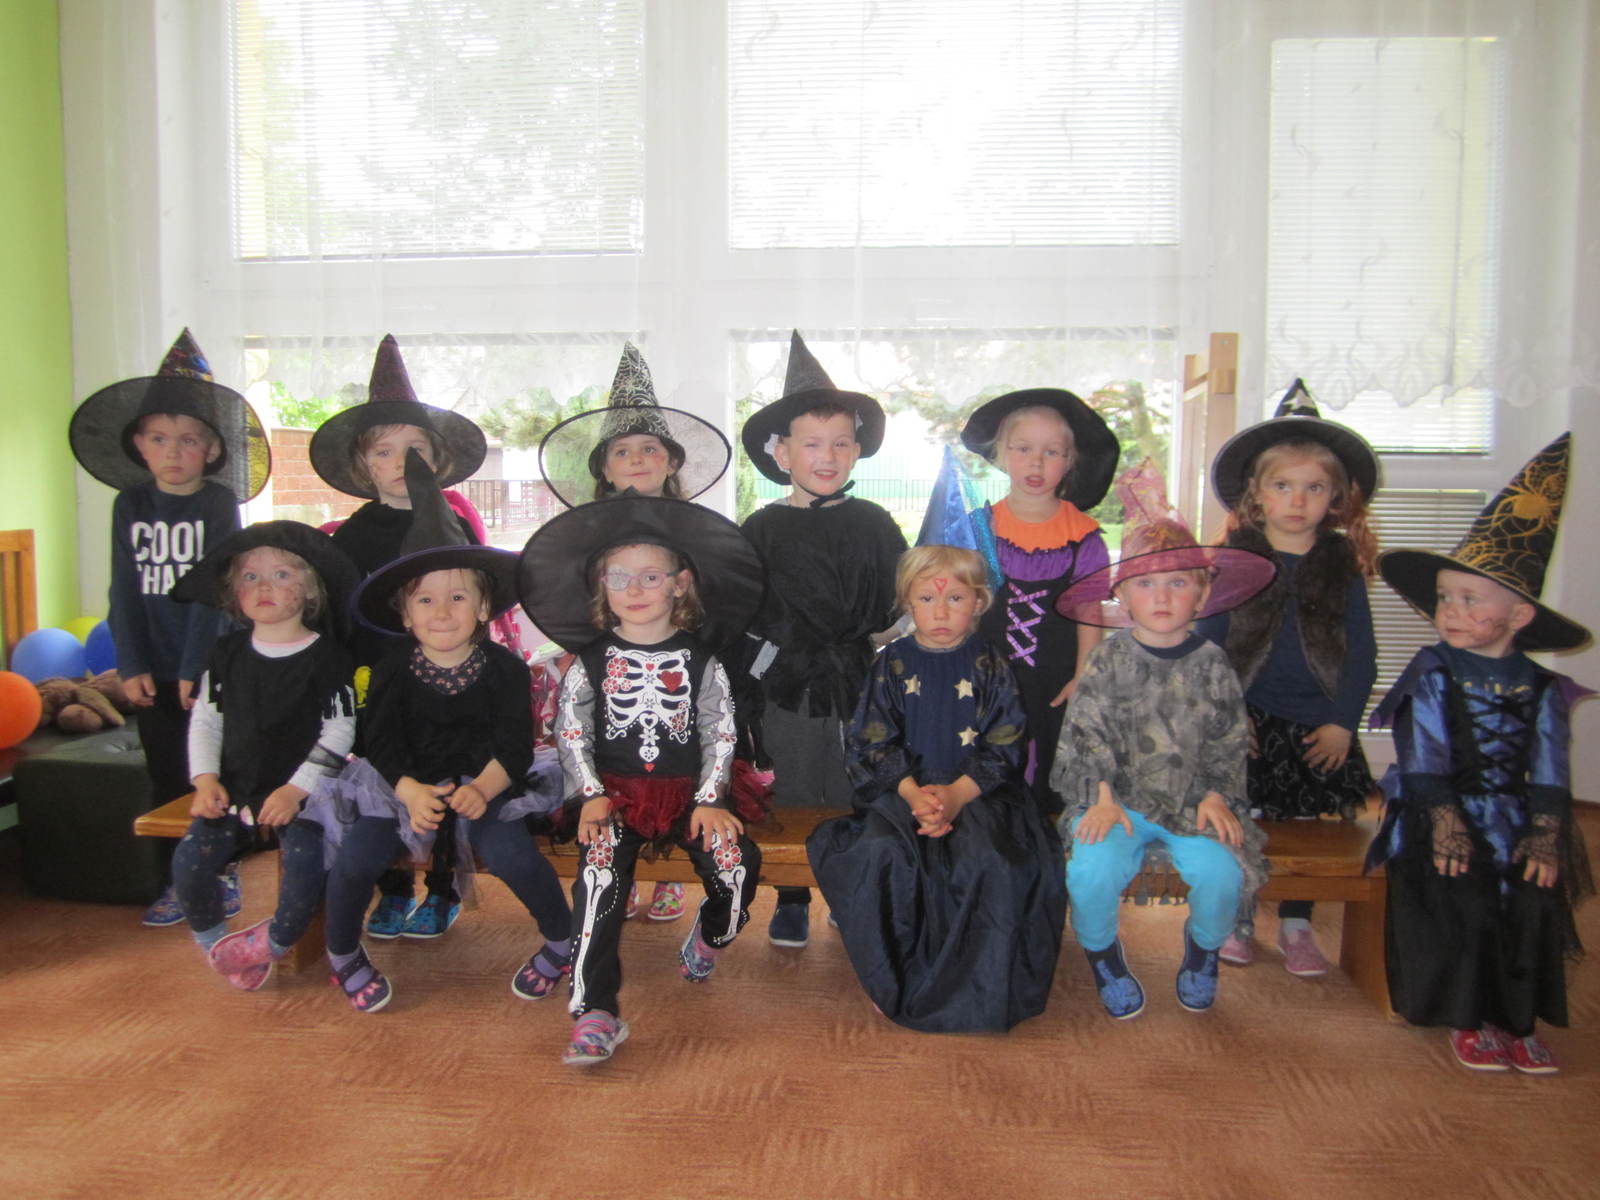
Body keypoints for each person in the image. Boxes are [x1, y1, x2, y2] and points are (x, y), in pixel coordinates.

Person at [1367, 433, 1592, 1074]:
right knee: (1464, 898)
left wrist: (1544, 833)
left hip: (1515, 815)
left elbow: (1550, 766)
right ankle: (1466, 1016)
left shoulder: (1542, 686)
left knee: (1531, 899)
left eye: (1470, 600)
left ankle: (1517, 1020)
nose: (1451, 611)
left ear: (1518, 616)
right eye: (1444, 598)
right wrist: (1446, 821)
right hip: (1437, 812)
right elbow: (1423, 756)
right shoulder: (1433, 671)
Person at [316, 450, 572, 1013]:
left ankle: (562, 939)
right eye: (425, 599)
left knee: (511, 853)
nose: (441, 611)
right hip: (401, 783)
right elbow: (380, 740)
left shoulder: (505, 669)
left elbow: (513, 743)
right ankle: (342, 952)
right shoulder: (391, 668)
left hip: (486, 780)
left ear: (483, 607)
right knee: (358, 857)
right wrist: (407, 789)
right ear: (405, 614)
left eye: (458, 597)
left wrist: (483, 788)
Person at [521, 492, 767, 1065]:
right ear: (601, 587)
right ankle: (594, 1010)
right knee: (599, 879)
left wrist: (711, 797)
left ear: (680, 584)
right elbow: (570, 731)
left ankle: (711, 935)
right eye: (619, 577)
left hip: (690, 793)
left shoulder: (704, 660)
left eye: (650, 577)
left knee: (736, 867)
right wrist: (589, 794)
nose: (633, 589)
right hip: (613, 795)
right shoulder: (588, 661)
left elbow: (721, 729)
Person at [807, 545, 1066, 1032]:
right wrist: (913, 794)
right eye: (927, 599)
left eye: (955, 599)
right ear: (908, 603)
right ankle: (897, 978)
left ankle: (980, 981)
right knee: (882, 854)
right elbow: (871, 739)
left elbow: (1006, 742)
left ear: (979, 602)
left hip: (978, 793)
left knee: (990, 859)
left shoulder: (991, 663)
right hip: (901, 792)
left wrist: (956, 796)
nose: (941, 612)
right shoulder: (890, 663)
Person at [1051, 461, 1275, 1019]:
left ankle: (1203, 950)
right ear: (1122, 595)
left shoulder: (1213, 663)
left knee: (1221, 872)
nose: (1162, 596)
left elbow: (1227, 738)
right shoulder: (1108, 660)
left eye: (1178, 582)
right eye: (1146, 583)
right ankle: (1103, 954)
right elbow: (1086, 732)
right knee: (1089, 870)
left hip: (1192, 801)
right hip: (1115, 800)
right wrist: (1100, 797)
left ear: (1202, 594)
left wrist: (1217, 794)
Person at [68, 328, 269, 927]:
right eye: (159, 438)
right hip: (152, 664)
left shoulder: (216, 504)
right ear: (139, 445)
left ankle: (220, 870)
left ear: (211, 449)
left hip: (209, 663)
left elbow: (215, 593)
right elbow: (123, 590)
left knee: (214, 770)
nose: (173, 451)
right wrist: (129, 663)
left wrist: (195, 668)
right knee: (166, 774)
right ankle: (174, 880)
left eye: (188, 440)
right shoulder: (129, 505)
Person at [537, 341, 733, 922]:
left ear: (671, 462)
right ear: (604, 467)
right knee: (612, 760)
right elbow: (567, 594)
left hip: (680, 659)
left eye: (650, 448)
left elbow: (717, 592)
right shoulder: (581, 533)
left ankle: (669, 867)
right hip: (608, 659)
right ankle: (616, 869)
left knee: (677, 762)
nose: (637, 458)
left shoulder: (698, 530)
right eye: (623, 450)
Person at [308, 334, 492, 941]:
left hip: (450, 676)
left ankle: (441, 888)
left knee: (446, 780)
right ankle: (392, 889)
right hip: (379, 681)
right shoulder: (351, 535)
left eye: (414, 449)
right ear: (365, 465)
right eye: (384, 451)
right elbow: (339, 615)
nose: (400, 462)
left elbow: (478, 597)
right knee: (384, 785)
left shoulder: (454, 520)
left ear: (435, 459)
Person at [1197, 382, 1381, 975]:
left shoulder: (1341, 564)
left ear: (1336, 498)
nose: (1297, 500)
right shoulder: (1237, 559)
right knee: (1240, 823)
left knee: (1308, 826)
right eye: (1283, 486)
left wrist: (1342, 723)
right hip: (1249, 719)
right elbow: (1208, 647)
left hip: (1316, 724)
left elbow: (1362, 655)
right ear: (1257, 493)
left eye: (1314, 488)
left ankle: (1297, 923)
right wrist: (1227, 719)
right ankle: (1240, 916)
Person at [740, 331, 907, 948]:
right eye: (811, 443)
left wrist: (882, 636)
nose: (827, 456)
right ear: (782, 453)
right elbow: (743, 610)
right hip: (786, 684)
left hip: (858, 680)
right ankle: (790, 896)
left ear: (857, 450)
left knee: (851, 785)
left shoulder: (875, 523)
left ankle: (845, 886)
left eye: (840, 443)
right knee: (794, 786)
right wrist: (758, 674)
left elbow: (899, 598)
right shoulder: (761, 528)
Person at [166, 522, 359, 989]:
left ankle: (271, 944)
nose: (264, 586)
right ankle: (218, 946)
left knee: (306, 870)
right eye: (251, 577)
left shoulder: (329, 657)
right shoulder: (226, 652)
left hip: (306, 794)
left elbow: (340, 730)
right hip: (235, 786)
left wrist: (296, 789)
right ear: (235, 591)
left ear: (309, 591)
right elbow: (207, 720)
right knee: (188, 866)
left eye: (281, 575)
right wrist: (205, 779)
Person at [958, 386, 1120, 818]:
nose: (1036, 462)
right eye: (1024, 448)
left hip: (1056, 680)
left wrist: (1084, 675)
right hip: (987, 679)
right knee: (991, 781)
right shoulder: (979, 527)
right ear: (1001, 453)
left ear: (1070, 461)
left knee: (1048, 777)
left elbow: (1089, 611)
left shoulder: (1084, 536)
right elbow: (962, 606)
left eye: (1052, 452)